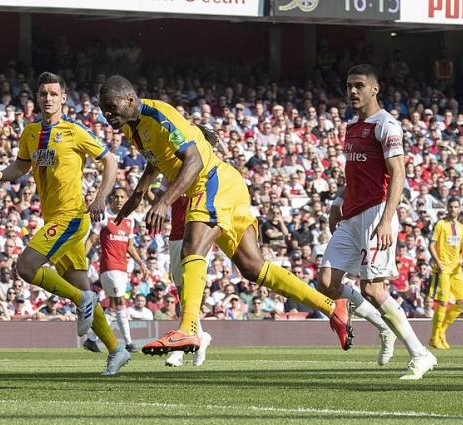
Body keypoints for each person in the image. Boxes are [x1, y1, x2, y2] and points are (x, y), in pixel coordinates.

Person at [99, 75, 351, 357]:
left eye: (111, 107)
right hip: (225, 185)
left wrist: (163, 202)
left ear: (130, 99)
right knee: (253, 268)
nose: (107, 114)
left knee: (192, 249)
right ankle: (332, 307)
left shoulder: (160, 114)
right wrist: (133, 201)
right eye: (103, 109)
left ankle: (188, 329)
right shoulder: (132, 128)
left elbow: (194, 161)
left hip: (211, 181)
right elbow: (155, 161)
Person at [0, 71, 130, 375]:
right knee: (80, 286)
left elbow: (110, 160)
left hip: (71, 217)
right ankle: (117, 349)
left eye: (53, 94)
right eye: (43, 93)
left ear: (63, 98)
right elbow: (22, 164)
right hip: (54, 219)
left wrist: (101, 197)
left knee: (26, 267)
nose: (48, 98)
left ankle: (83, 299)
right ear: (37, 97)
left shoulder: (74, 131)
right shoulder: (31, 132)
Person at [316, 64, 436, 380]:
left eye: (359, 85)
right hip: (351, 215)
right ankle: (384, 327)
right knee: (325, 283)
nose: (352, 91)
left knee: (372, 287)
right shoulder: (352, 127)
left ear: (374, 89)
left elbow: (398, 174)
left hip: (375, 213)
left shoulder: (387, 125)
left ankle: (420, 354)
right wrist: (337, 203)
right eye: (348, 86)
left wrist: (386, 220)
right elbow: (354, 175)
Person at [83, 186, 148, 353]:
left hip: (122, 268)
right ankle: (129, 343)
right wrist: (82, 260)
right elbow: (90, 240)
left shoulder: (129, 220)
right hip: (109, 266)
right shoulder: (104, 217)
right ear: (111, 200)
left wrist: (141, 263)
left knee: (113, 307)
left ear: (127, 200)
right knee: (121, 302)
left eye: (122, 197)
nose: (119, 200)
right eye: (116, 197)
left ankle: (91, 339)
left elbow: (130, 246)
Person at [164, 194, 212, 367]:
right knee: (182, 296)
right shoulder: (172, 179)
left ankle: (180, 348)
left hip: (199, 237)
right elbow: (160, 200)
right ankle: (201, 337)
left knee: (188, 295)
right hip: (176, 236)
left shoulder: (207, 180)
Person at [429, 198, 463, 350]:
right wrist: (438, 262)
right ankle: (434, 337)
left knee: (462, 303)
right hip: (443, 269)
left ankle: (442, 332)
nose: (453, 209)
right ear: (447, 208)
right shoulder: (440, 224)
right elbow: (431, 245)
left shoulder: (462, 228)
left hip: (456, 270)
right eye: (451, 207)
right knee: (443, 303)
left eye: (456, 207)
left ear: (459, 209)